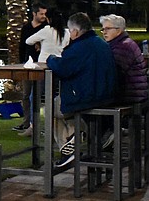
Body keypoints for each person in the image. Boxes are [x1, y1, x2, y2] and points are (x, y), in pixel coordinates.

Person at [45, 12, 116, 167]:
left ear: (75, 31)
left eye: (70, 31)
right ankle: (78, 134)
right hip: (106, 96)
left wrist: (50, 58)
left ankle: (70, 146)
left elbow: (62, 68)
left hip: (87, 98)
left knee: (51, 108)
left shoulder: (80, 47)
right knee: (61, 107)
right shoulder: (101, 43)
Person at [20, 9, 70, 136]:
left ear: (49, 19)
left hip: (44, 67)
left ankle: (33, 126)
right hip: (60, 67)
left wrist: (40, 43)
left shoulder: (46, 31)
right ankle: (57, 127)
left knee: (34, 97)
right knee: (55, 97)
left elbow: (28, 41)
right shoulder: (67, 33)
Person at [99, 13, 148, 107]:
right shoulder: (121, 44)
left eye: (108, 29)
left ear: (119, 30)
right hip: (133, 93)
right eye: (103, 29)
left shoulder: (123, 47)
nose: (104, 32)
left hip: (130, 95)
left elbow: (113, 72)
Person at [16, 3, 48, 131]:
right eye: (41, 14)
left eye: (45, 14)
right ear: (34, 14)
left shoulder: (46, 28)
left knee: (36, 96)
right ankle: (26, 122)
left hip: (41, 66)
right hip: (27, 65)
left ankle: (35, 125)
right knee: (26, 95)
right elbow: (22, 46)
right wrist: (21, 62)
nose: (43, 16)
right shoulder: (26, 28)